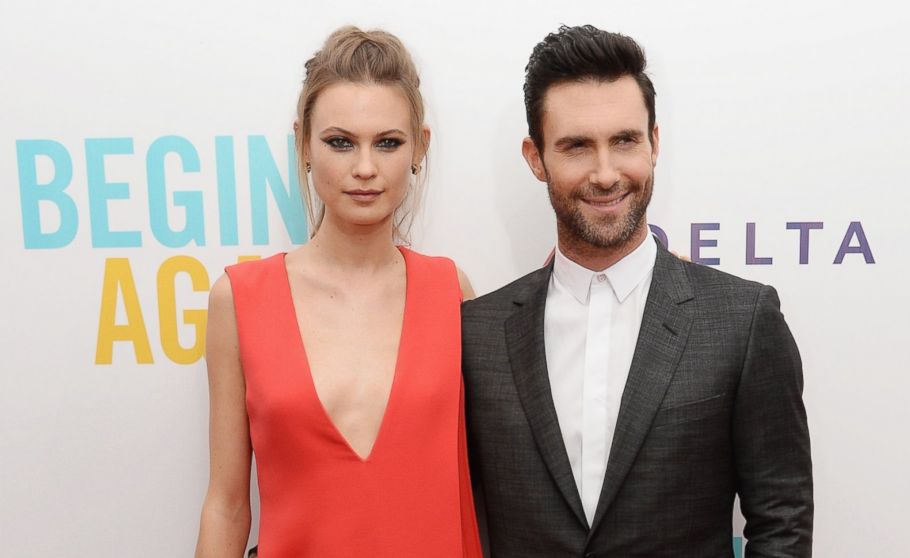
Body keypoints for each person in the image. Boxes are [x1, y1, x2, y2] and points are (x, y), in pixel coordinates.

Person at [462, 25, 813, 557]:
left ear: (654, 143)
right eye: (577, 146)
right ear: (536, 158)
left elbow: (782, 521)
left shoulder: (742, 319)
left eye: (624, 140)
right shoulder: (477, 334)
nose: (605, 174)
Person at [195, 26, 482, 558]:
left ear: (420, 147)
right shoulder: (239, 300)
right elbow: (228, 504)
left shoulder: (452, 292)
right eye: (340, 142)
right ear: (303, 144)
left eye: (388, 143)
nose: (365, 168)